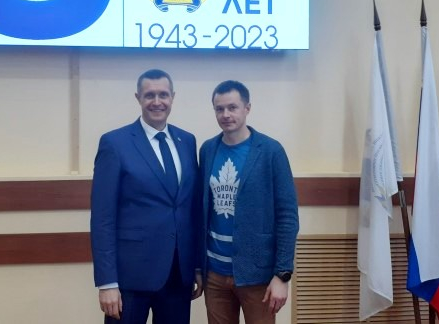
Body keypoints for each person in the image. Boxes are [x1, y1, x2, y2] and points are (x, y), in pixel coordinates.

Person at [90, 69, 202, 324]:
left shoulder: (187, 141)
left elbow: (191, 209)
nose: (157, 101)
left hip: (177, 275)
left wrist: (196, 266)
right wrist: (107, 282)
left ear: (172, 97)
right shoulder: (115, 143)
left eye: (163, 94)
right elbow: (102, 218)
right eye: (149, 95)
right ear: (138, 98)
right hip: (130, 278)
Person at [199, 80, 299, 324]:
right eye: (219, 109)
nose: (226, 114)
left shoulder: (271, 151)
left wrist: (282, 275)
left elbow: (287, 216)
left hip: (258, 276)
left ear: (247, 108)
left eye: (232, 107)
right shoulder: (208, 149)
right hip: (215, 274)